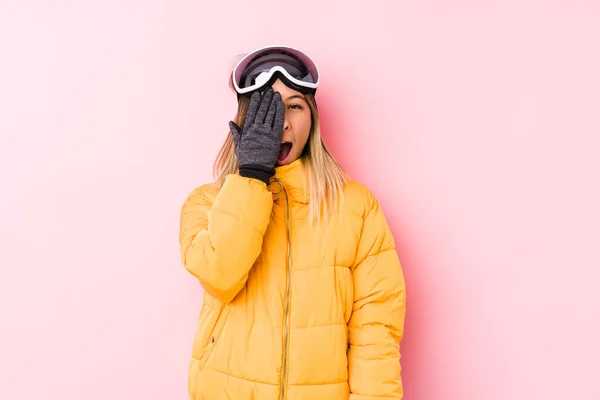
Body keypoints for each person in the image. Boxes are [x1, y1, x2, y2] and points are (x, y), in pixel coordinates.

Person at [179, 45, 407, 400]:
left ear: (312, 118)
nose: (281, 121)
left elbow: (376, 330)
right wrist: (252, 176)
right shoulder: (206, 202)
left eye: (295, 106)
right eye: (266, 107)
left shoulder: (356, 207)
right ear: (245, 118)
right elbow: (219, 276)